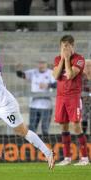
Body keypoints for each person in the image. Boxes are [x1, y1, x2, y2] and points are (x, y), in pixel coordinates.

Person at [53, 35, 89, 166]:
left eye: (66, 46)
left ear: (72, 46)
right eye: (62, 47)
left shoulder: (79, 59)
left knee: (76, 126)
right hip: (60, 97)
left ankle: (84, 158)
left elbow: (69, 75)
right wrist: (63, 59)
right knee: (63, 126)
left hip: (73, 96)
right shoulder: (57, 59)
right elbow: (56, 76)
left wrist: (67, 59)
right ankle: (67, 158)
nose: (64, 49)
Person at [16, 60, 56, 135]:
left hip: (46, 106)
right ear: (38, 64)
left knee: (45, 129)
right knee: (32, 129)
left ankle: (45, 145)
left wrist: (48, 85)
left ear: (46, 64)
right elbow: (22, 75)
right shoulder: (33, 72)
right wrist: (18, 70)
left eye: (43, 63)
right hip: (34, 105)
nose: (41, 65)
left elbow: (57, 84)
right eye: (40, 63)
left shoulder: (51, 73)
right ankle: (32, 145)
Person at [82, 60, 91, 134]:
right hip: (84, 102)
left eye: (90, 66)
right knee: (84, 118)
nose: (88, 68)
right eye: (86, 66)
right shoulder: (81, 78)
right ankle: (84, 135)